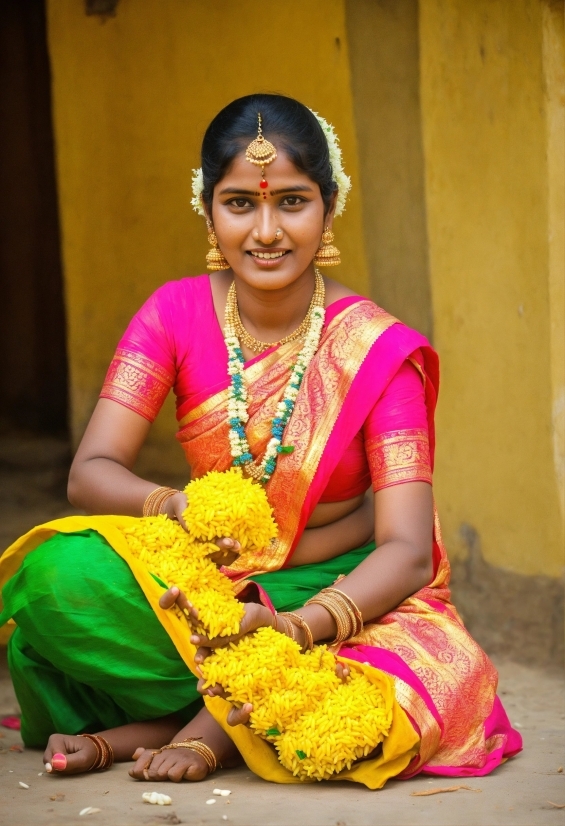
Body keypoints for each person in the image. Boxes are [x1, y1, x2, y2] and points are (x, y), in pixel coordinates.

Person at [0, 94, 521, 786]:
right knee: (53, 583)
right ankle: (224, 708)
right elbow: (91, 470)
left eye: (292, 203)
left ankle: (186, 726)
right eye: (240, 203)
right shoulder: (173, 314)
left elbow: (403, 547)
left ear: (329, 207)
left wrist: (298, 628)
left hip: (333, 588)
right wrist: (176, 510)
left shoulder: (376, 352)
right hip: (204, 575)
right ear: (207, 208)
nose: (266, 231)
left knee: (384, 709)